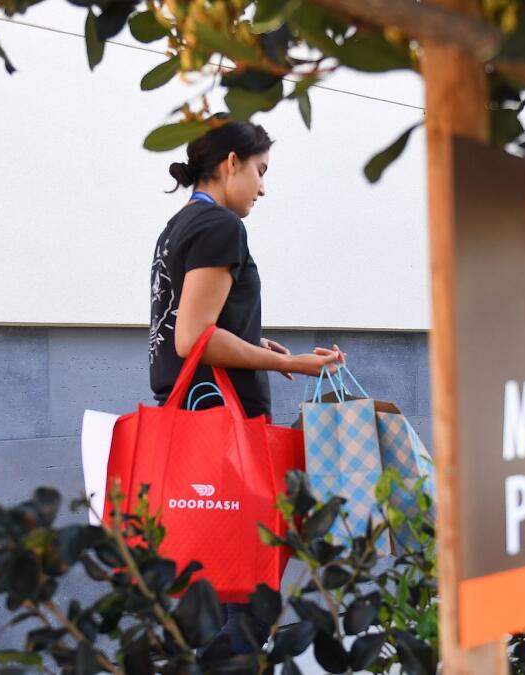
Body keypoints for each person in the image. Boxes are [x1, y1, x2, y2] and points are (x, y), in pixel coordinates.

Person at [148, 114, 344, 655]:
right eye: (259, 170)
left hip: (192, 421)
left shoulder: (180, 225)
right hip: (223, 436)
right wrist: (299, 365)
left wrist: (264, 354)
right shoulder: (222, 227)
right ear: (230, 163)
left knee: (202, 589)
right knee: (243, 602)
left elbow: (199, 328)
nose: (263, 186)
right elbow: (193, 338)